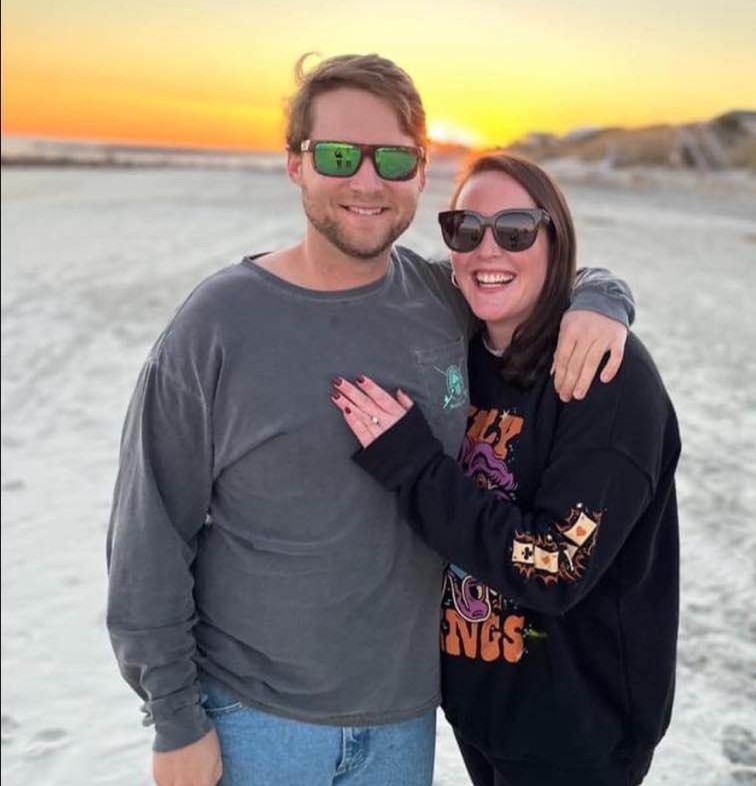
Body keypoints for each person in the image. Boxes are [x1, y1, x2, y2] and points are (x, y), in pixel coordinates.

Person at [106, 53, 638, 786]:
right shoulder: (218, 323)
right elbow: (149, 531)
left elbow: (533, 278)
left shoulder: (438, 301)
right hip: (253, 719)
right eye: (336, 155)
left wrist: (604, 298)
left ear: (420, 172)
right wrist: (173, 720)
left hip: (404, 720)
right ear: (296, 165)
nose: (366, 181)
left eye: (391, 158)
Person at [333, 152, 680, 786]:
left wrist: (411, 464)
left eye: (516, 229)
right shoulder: (463, 345)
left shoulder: (606, 379)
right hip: (480, 712)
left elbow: (555, 565)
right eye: (466, 229)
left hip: (578, 736)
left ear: (555, 239)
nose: (487, 249)